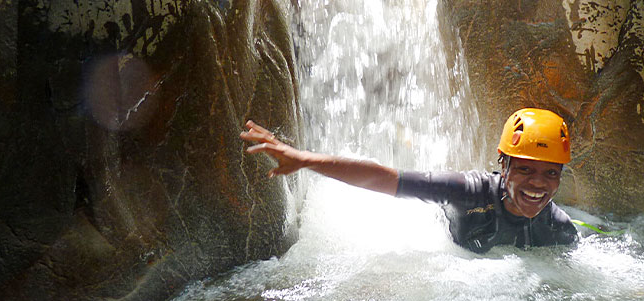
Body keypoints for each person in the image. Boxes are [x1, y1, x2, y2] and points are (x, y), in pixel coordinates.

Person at [241, 108, 578, 253]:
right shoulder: (467, 192)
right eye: (525, 169)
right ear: (502, 164)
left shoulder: (559, 229)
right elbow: (383, 178)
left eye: (551, 173)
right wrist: (303, 159)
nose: (538, 184)